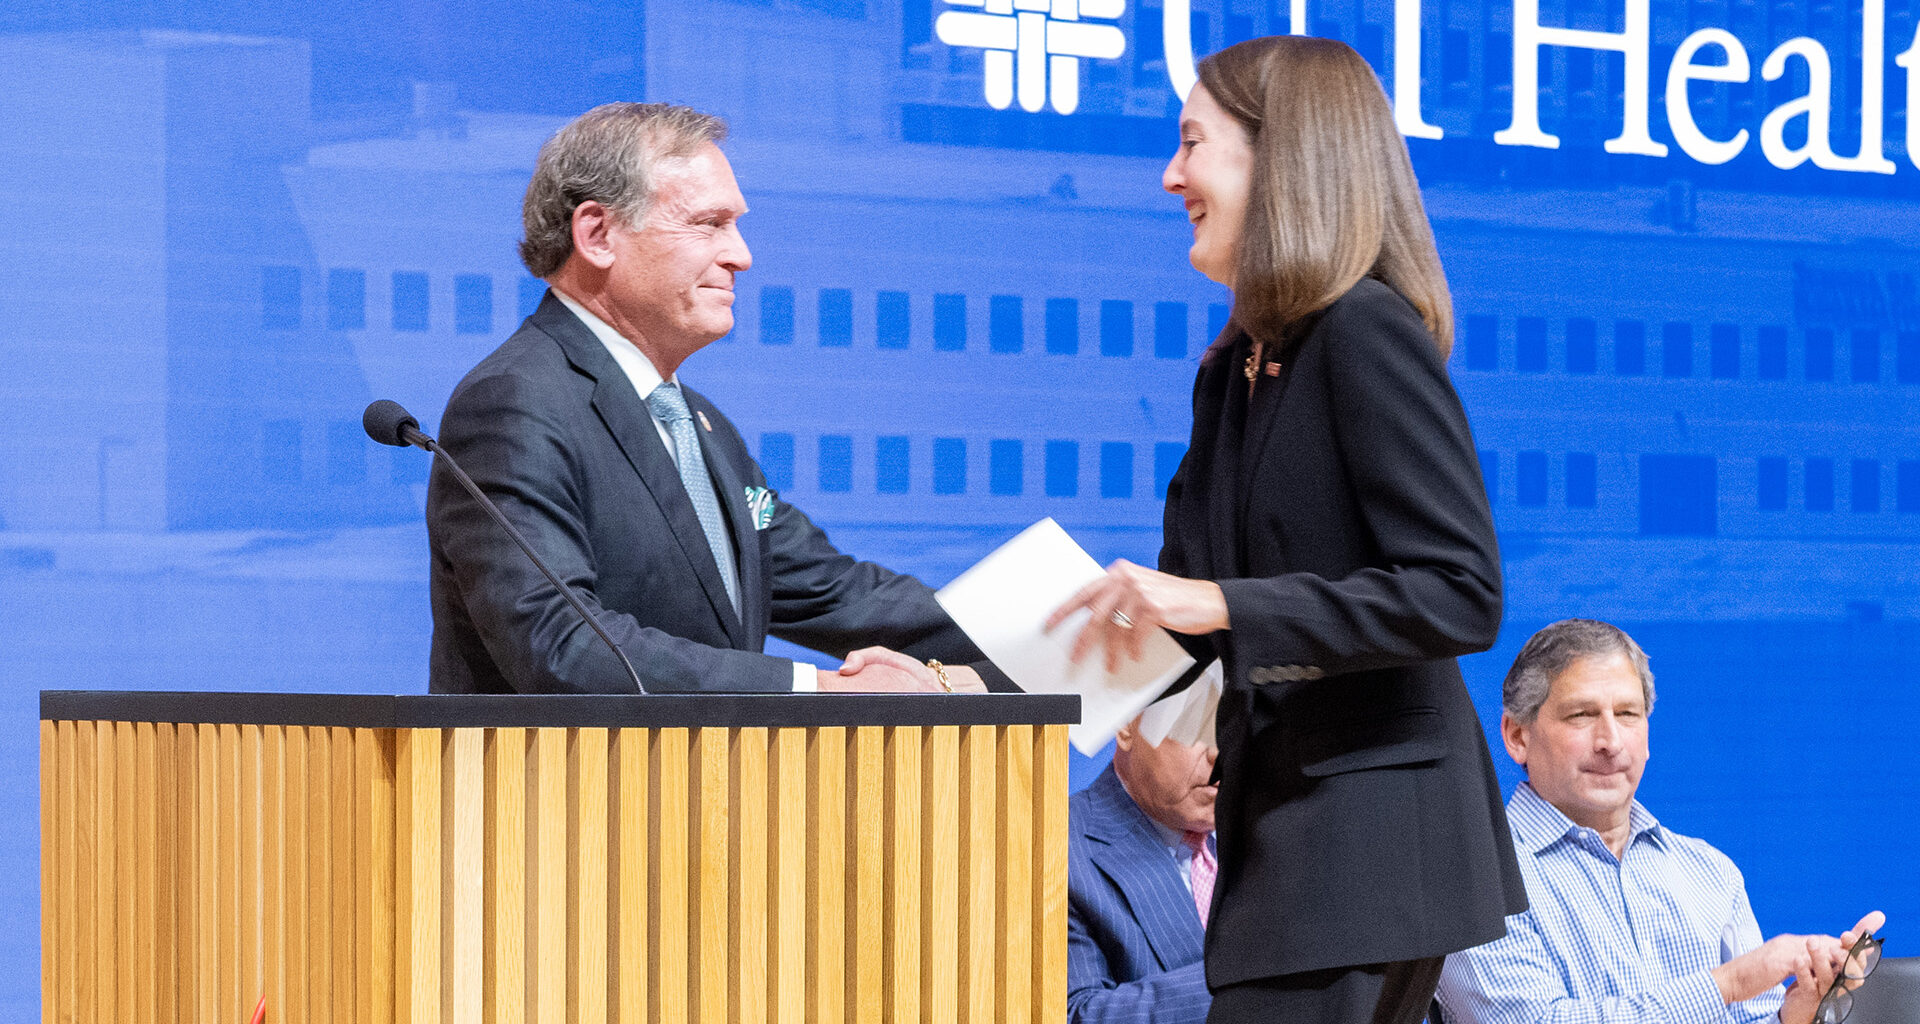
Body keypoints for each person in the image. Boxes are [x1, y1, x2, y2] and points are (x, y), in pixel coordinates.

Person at [1049, 36, 1527, 1023]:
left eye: (1192, 143)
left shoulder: (1362, 330)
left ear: (1280, 158)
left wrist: (1222, 603)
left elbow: (1460, 591)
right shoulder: (1236, 370)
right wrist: (960, 676)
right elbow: (1176, 622)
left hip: (1365, 850)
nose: (1170, 175)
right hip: (1291, 848)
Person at [428, 102, 1004, 695]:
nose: (741, 256)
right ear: (597, 234)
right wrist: (820, 689)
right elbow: (562, 645)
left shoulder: (702, 425)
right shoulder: (514, 403)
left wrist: (1049, 628)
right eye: (709, 224)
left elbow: (840, 595)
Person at [1435, 619, 1884, 1024]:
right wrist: (1727, 984)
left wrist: (1795, 1013)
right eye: (1582, 715)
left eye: (1627, 714)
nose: (1610, 741)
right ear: (1517, 736)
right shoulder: (1470, 876)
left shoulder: (1710, 872)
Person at [1068, 718, 1218, 1023]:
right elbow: (1074, 1014)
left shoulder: (1279, 827)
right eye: (1196, 725)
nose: (1217, 753)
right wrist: (1244, 981)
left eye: (1228, 726)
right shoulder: (1056, 845)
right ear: (1126, 727)